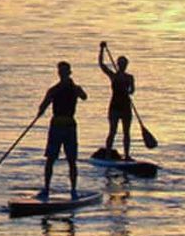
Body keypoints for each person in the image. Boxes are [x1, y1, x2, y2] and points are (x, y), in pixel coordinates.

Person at [37, 61, 88, 198]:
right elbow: (44, 105)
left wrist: (78, 89)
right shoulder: (54, 90)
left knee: (71, 160)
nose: (62, 74)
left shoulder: (74, 88)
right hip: (56, 126)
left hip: (69, 126)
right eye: (60, 71)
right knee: (51, 159)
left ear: (69, 73)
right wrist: (40, 112)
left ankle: (73, 190)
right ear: (59, 73)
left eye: (64, 71)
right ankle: (46, 189)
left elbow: (84, 97)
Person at [98, 41, 135, 160]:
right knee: (112, 132)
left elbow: (132, 90)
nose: (123, 65)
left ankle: (127, 155)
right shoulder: (113, 76)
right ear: (118, 64)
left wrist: (128, 91)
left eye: (124, 64)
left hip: (126, 107)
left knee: (126, 133)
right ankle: (108, 155)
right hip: (114, 107)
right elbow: (101, 64)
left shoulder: (129, 77)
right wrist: (102, 50)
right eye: (121, 63)